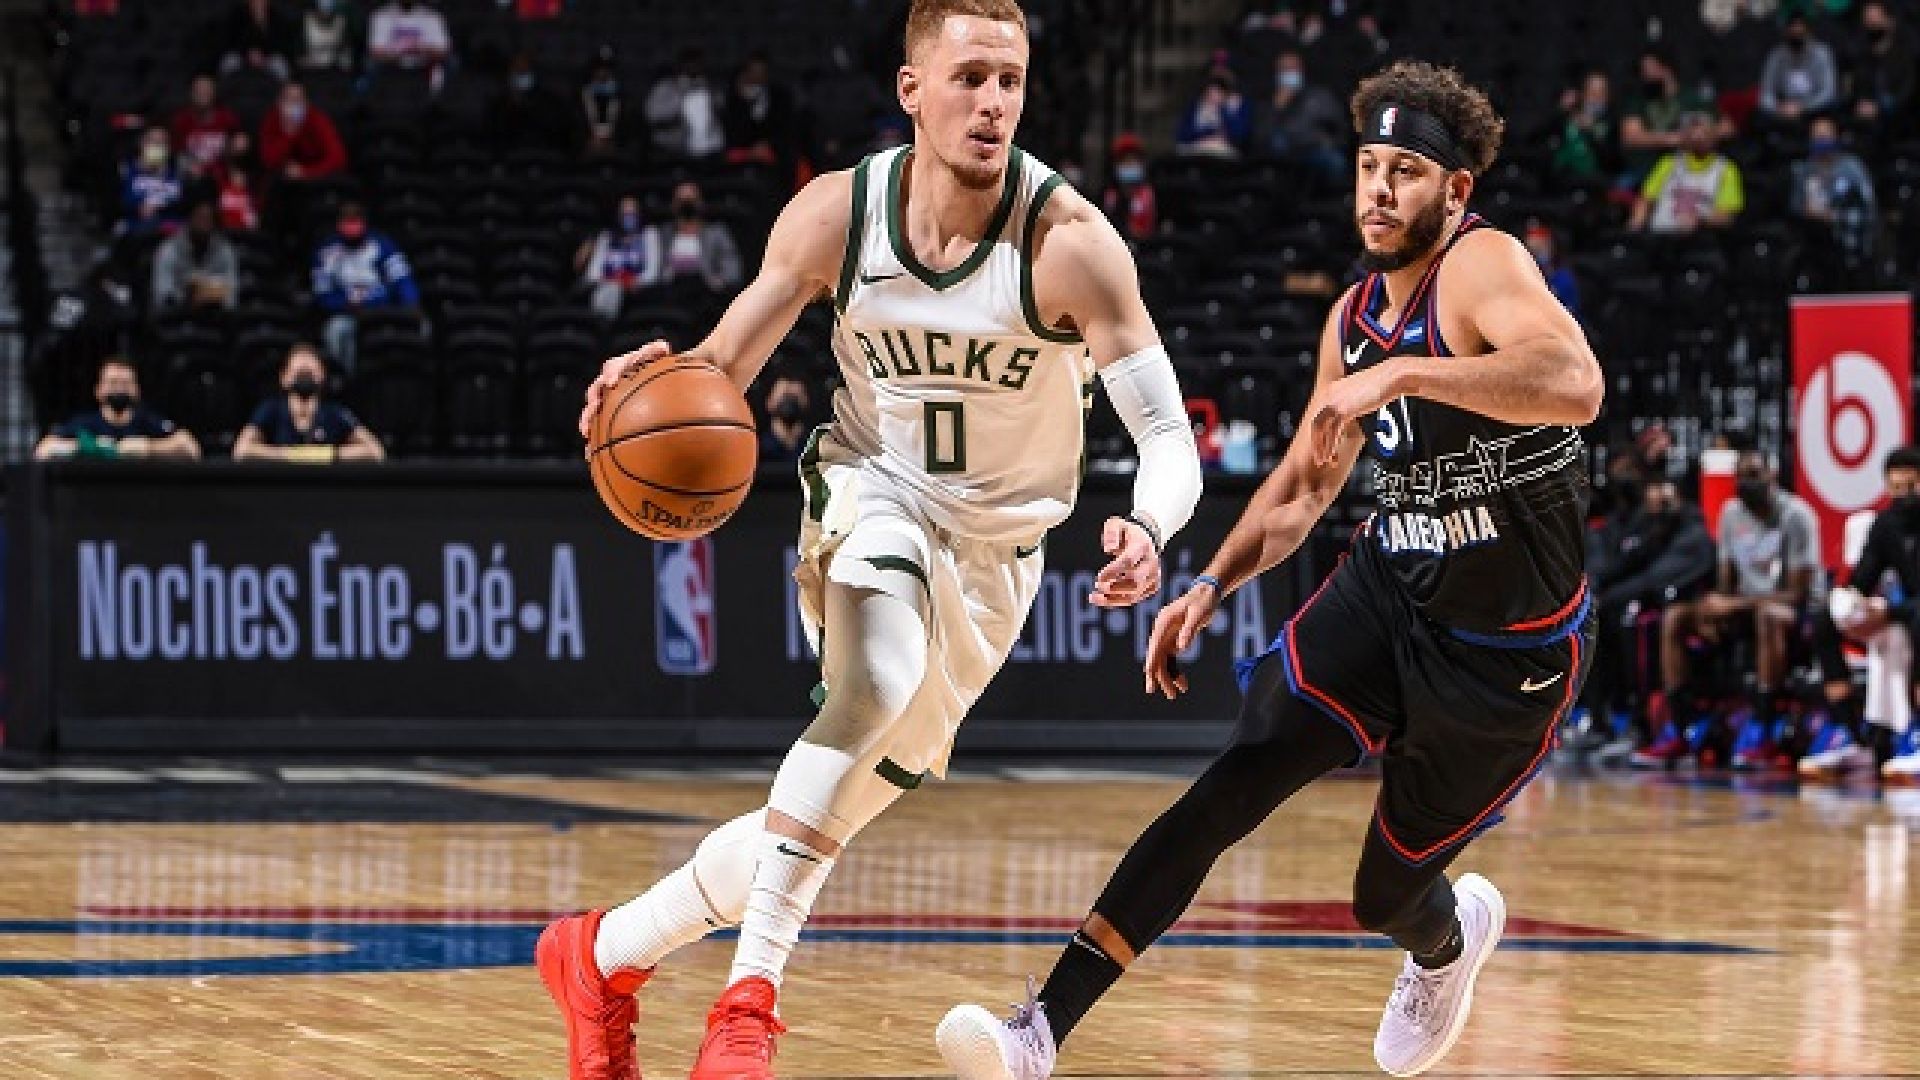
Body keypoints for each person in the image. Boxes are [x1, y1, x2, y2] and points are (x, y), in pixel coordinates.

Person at [536, 3, 1204, 1078]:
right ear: (912, 89)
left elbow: (1168, 436)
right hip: (871, 489)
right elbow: (722, 368)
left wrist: (1153, 522)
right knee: (875, 682)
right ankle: (747, 1009)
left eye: (1010, 81)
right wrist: (652, 383)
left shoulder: (1070, 245)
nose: (992, 104)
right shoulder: (838, 216)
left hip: (997, 561)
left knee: (816, 821)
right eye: (969, 77)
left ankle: (598, 956)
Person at [938, 59, 1604, 1080]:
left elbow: (1576, 381)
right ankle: (1039, 1032)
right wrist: (1211, 585)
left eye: (1406, 173)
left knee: (1383, 897)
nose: (1379, 190)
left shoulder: (1481, 265)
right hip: (1393, 594)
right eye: (1369, 167)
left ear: (1455, 189)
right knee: (1232, 780)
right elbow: (1300, 486)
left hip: (1506, 653)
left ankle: (1447, 942)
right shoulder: (1352, 320)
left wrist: (1406, 372)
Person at [1641, 451, 1820, 767]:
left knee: (1768, 617)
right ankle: (1680, 725)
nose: (1747, 483)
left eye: (1754, 474)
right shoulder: (1731, 513)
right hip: (1746, 608)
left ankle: (1763, 726)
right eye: (1742, 476)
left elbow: (1797, 594)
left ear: (1772, 476)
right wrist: (1714, 611)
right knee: (1677, 617)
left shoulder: (1796, 515)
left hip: (1794, 611)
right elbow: (1726, 585)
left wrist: (1734, 604)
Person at [1803, 446, 1920, 778]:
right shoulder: (1885, 524)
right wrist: (1852, 602)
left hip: (1912, 611)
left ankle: (1916, 731)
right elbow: (1863, 578)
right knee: (1825, 618)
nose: (1904, 496)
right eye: (1896, 488)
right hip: (1906, 610)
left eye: (1911, 487)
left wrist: (1891, 612)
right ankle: (1848, 731)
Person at [312, 201, 420, 375]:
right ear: (339, 224)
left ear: (364, 223)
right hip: (348, 313)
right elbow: (323, 294)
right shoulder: (327, 252)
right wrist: (345, 303)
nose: (352, 227)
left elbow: (403, 279)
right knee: (335, 331)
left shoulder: (383, 245)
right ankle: (346, 378)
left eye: (356, 221)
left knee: (420, 325)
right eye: (347, 221)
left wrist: (409, 304)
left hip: (383, 310)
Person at [234, 343, 386, 461]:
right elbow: (241, 450)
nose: (304, 374)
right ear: (284, 378)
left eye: (310, 371)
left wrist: (327, 455)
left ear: (322, 376)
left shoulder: (334, 412)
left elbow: (375, 450)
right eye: (299, 371)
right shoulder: (270, 409)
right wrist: (288, 455)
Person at [34, 357, 202, 461]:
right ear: (98, 390)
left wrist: (149, 447)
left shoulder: (149, 421)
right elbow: (43, 451)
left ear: (137, 390)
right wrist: (90, 448)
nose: (119, 389)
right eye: (113, 383)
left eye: (125, 383)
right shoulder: (83, 423)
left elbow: (191, 448)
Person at [1628, 111, 1744, 234]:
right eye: (1693, 132)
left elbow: (1726, 216)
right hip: (1660, 235)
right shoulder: (1668, 162)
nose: (1698, 137)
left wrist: (1701, 220)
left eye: (1704, 132)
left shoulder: (1726, 169)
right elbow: (1646, 199)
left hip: (1700, 238)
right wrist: (1634, 227)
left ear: (1713, 136)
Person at [1791, 114, 1878, 274]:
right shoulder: (1804, 169)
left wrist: (1835, 216)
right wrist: (1808, 211)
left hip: (1849, 236)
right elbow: (1795, 205)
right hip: (1815, 238)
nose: (1821, 140)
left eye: (1825, 136)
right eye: (1817, 136)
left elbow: (1868, 205)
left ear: (1835, 137)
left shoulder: (1852, 167)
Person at [1253, 49, 1347, 189]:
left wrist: (1324, 139)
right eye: (1284, 69)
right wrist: (1277, 109)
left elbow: (1337, 126)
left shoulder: (1319, 96)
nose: (1288, 73)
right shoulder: (1267, 100)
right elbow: (1260, 136)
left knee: (1335, 161)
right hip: (1285, 154)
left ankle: (1334, 197)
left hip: (1314, 149)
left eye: (1292, 68)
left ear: (1301, 70)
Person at [650, 181, 744, 296]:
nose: (687, 204)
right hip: (669, 292)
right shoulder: (662, 234)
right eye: (682, 200)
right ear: (673, 205)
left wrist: (721, 280)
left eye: (691, 200)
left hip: (706, 292)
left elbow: (732, 267)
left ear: (701, 203)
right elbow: (653, 268)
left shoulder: (716, 233)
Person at [576, 195, 662, 320]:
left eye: (632, 213)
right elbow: (593, 272)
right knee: (610, 291)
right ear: (618, 216)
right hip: (608, 286)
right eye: (625, 213)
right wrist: (612, 281)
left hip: (638, 290)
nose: (629, 217)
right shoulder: (607, 236)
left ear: (639, 214)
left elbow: (653, 272)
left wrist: (634, 282)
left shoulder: (649, 234)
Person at [150, 200, 240, 314]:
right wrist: (188, 297)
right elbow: (162, 293)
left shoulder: (224, 250)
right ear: (189, 220)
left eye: (208, 219)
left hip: (216, 315)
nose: (204, 223)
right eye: (200, 217)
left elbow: (232, 292)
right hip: (178, 315)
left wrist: (207, 297)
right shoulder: (169, 250)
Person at [1757, 13, 1838, 126]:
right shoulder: (1776, 55)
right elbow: (1766, 91)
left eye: (1800, 27)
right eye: (1793, 27)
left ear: (1808, 30)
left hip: (1813, 108)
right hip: (1783, 108)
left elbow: (1828, 92)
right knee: (1759, 118)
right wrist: (1778, 107)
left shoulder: (1822, 53)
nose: (1796, 30)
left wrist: (1802, 107)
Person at [259, 82, 349, 183]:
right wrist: (289, 134)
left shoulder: (316, 118)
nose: (293, 106)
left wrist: (305, 171)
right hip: (282, 178)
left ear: (306, 104)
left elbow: (338, 158)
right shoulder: (272, 119)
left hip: (316, 177)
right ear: (279, 103)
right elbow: (268, 161)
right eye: (288, 100)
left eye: (298, 101)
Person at [645, 47, 724, 160]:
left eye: (698, 63)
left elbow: (719, 108)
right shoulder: (665, 86)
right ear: (681, 65)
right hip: (670, 145)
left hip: (703, 147)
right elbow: (651, 116)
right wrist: (680, 112)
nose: (694, 67)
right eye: (690, 63)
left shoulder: (709, 87)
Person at [1848, 2, 1915, 134]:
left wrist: (1880, 108)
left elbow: (1907, 91)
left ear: (1889, 21)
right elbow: (1856, 86)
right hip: (1866, 117)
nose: (1871, 24)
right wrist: (1861, 103)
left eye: (1875, 19)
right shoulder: (1861, 54)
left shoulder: (1905, 54)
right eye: (1868, 20)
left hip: (1900, 119)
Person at [724, 51, 796, 169]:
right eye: (753, 72)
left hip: (773, 152)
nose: (757, 77)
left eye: (761, 72)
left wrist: (768, 145)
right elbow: (733, 131)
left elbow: (785, 128)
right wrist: (743, 100)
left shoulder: (781, 97)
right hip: (744, 152)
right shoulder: (734, 99)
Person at [1546, 71, 1619, 187]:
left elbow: (1612, 159)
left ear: (1608, 96)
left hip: (1593, 181)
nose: (1596, 97)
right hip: (1559, 178)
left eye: (1601, 92)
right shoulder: (1566, 116)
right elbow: (1543, 138)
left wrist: (1591, 130)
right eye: (1591, 91)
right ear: (1582, 93)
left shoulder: (1613, 121)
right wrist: (1560, 111)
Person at [366, 0, 450, 88]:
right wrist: (399, 51)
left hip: (424, 67)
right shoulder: (381, 15)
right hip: (391, 68)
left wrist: (419, 48)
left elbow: (443, 49)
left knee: (443, 66)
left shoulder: (432, 16)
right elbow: (376, 51)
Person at [169, 75, 241, 177]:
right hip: (191, 174)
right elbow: (177, 152)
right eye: (198, 90)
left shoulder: (227, 117)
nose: (202, 94)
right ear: (191, 93)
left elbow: (237, 142)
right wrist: (189, 165)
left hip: (221, 172)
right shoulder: (181, 119)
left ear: (214, 93)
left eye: (207, 90)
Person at [120, 126, 185, 238]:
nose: (157, 146)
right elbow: (123, 201)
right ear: (141, 144)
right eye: (153, 141)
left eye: (162, 143)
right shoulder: (126, 170)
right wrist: (139, 207)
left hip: (168, 229)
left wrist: (157, 206)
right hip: (134, 228)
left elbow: (178, 202)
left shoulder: (176, 175)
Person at [1174, 69, 1249, 158]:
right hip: (1194, 148)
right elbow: (1182, 135)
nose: (1213, 97)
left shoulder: (1233, 107)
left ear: (1225, 95)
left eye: (1217, 93)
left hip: (1222, 151)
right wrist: (1208, 134)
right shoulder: (1195, 107)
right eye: (1209, 93)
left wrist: (1228, 112)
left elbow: (1239, 137)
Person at [1098, 131, 1156, 245]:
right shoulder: (1109, 194)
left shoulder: (1147, 193)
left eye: (1133, 161)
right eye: (1124, 162)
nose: (1129, 165)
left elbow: (1145, 229)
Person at [218, 0, 298, 80]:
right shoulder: (237, 14)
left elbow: (280, 44)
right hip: (243, 55)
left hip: (268, 56)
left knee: (279, 65)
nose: (258, 3)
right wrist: (247, 53)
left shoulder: (277, 16)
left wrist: (262, 25)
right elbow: (233, 41)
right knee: (230, 62)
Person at [576, 45, 630, 158]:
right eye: (600, 68)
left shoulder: (621, 95)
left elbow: (624, 124)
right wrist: (590, 139)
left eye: (607, 68)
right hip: (588, 145)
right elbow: (577, 122)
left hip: (614, 146)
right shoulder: (582, 93)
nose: (603, 72)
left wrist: (612, 139)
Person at [1523, 219, 1579, 318]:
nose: (1537, 252)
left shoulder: (1563, 277)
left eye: (1541, 246)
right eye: (1533, 249)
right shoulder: (1522, 276)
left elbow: (1571, 307)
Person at [757, 371, 812, 463]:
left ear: (806, 401)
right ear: (770, 402)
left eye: (795, 397)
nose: (789, 402)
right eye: (784, 395)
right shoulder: (758, 449)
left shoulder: (817, 448)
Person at [298, 0, 363, 73]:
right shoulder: (307, 19)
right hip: (312, 67)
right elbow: (301, 53)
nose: (325, 15)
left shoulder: (340, 21)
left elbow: (345, 48)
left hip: (336, 68)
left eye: (328, 12)